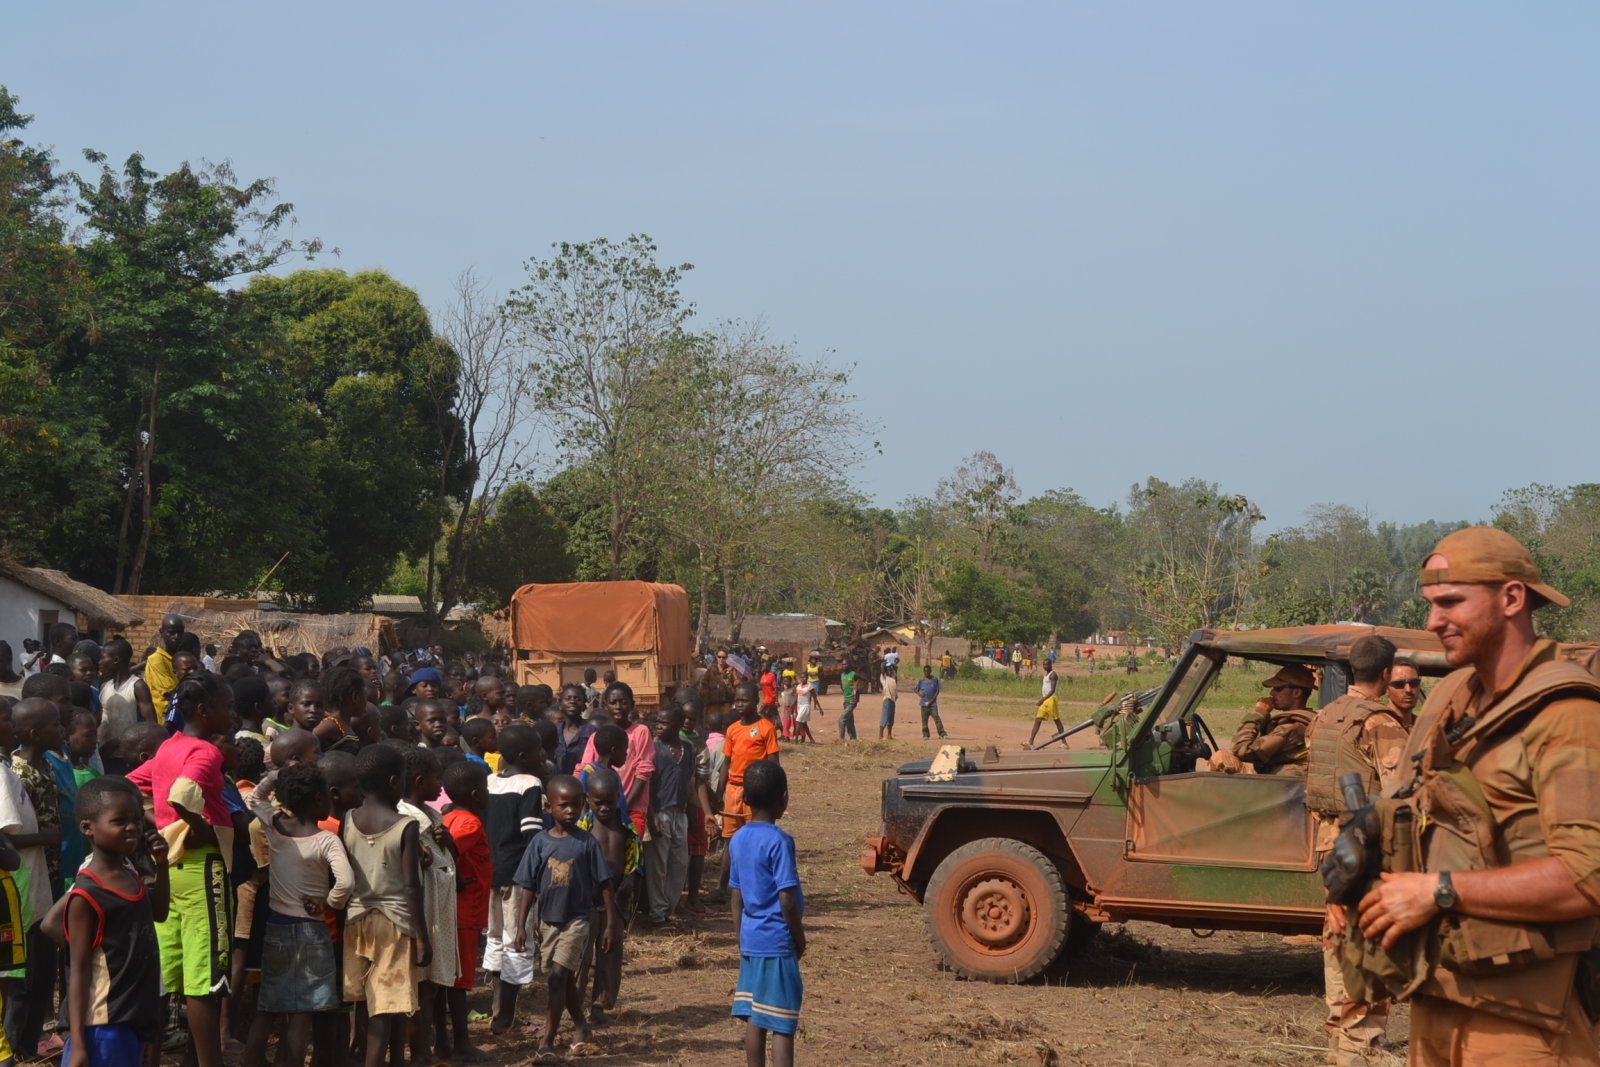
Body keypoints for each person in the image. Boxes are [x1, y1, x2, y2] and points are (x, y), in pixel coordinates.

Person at [1354, 527, 1600, 1064]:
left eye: (1450, 602)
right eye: (1430, 604)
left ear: (1511, 598)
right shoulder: (1453, 699)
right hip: (1437, 997)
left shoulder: (1568, 715)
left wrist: (1438, 891)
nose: (1432, 621)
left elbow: (1588, 876)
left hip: (1527, 1025)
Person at [1302, 635, 1409, 1066]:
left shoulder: (1325, 716)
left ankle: (1340, 1037)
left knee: (1337, 938)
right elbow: (1399, 791)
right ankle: (1360, 1045)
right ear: (1386, 675)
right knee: (1371, 943)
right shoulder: (1380, 721)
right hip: (1366, 843)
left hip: (1329, 839)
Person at [125, 672, 236, 1067]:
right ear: (204, 711)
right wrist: (191, 825)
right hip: (202, 868)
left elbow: (127, 785)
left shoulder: (168, 747)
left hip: (165, 873)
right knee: (204, 979)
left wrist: (154, 824)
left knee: (165, 975)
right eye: (227, 706)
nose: (232, 714)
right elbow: (183, 796)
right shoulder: (206, 752)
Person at [241, 762, 353, 1067]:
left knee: (268, 1004)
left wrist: (275, 776)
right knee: (303, 1010)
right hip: (312, 931)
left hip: (276, 927)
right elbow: (346, 882)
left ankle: (251, 1059)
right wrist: (328, 902)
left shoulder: (275, 825)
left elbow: (253, 799)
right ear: (318, 800)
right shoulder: (326, 839)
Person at [58, 777, 168, 1067]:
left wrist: (163, 865)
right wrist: (79, 1044)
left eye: (136, 820)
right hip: (102, 1026)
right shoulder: (87, 893)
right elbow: (79, 972)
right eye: (119, 821)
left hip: (132, 1016)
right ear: (87, 828)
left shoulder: (132, 876)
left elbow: (159, 914)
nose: (132, 827)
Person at [512, 775, 615, 1065]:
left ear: (584, 806)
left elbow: (605, 883)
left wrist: (608, 924)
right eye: (563, 805)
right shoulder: (540, 842)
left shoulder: (587, 843)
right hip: (548, 922)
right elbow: (528, 886)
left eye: (576, 805)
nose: (570, 811)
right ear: (549, 807)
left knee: (558, 977)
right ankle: (581, 1026)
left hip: (577, 920)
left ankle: (548, 1039)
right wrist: (520, 925)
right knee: (563, 979)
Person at [341, 744, 429, 1067]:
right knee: (388, 1001)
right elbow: (411, 886)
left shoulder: (347, 819)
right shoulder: (406, 825)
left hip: (355, 919)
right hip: (395, 924)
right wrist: (422, 936)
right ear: (394, 781)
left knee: (365, 999)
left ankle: (372, 1057)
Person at [729, 759, 805, 1067]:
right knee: (783, 1024)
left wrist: (740, 936)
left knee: (756, 1017)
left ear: (744, 799)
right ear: (783, 799)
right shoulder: (780, 841)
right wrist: (799, 938)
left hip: (751, 939)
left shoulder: (738, 838)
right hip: (777, 941)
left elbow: (736, 895)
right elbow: (787, 900)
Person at [483, 723, 544, 1034]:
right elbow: (532, 835)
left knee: (495, 938)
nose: (543, 754)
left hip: (490, 873)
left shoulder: (490, 780)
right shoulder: (530, 784)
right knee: (518, 940)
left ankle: (497, 1010)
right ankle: (506, 1016)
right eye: (538, 750)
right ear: (524, 755)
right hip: (518, 874)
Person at [575, 768, 637, 1025]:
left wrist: (631, 878)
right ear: (588, 799)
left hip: (616, 903)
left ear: (617, 798)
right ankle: (574, 1005)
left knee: (609, 958)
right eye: (598, 802)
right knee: (581, 957)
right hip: (587, 903)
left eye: (609, 802)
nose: (604, 808)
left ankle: (600, 1006)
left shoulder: (625, 826)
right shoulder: (583, 827)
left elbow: (636, 859)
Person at [440, 761, 491, 1062]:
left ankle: (447, 1043)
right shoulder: (470, 824)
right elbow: (444, 850)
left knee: (448, 982)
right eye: (485, 789)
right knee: (458, 984)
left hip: (454, 912)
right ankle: (461, 1043)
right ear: (475, 793)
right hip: (463, 914)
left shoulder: (449, 817)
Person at [719, 684, 780, 899]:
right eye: (736, 700)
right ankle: (722, 888)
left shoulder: (766, 728)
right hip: (733, 790)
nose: (739, 704)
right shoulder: (732, 729)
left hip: (756, 791)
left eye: (744, 700)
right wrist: (719, 793)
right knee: (730, 840)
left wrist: (778, 792)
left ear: (756, 701)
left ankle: (756, 887)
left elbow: (774, 762)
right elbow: (726, 762)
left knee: (756, 839)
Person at [1208, 666, 1315, 776]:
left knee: (1218, 759)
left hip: (1277, 787)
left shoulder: (1292, 728)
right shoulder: (1303, 720)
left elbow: (1240, 749)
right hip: (1274, 780)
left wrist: (1258, 714)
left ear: (1297, 693)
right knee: (1222, 757)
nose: (1272, 693)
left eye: (1278, 689)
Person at [645, 704, 693, 926]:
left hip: (680, 813)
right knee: (658, 865)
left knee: (679, 863)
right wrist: (651, 815)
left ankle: (669, 908)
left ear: (678, 725)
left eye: (664, 723)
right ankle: (657, 913)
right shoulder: (653, 750)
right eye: (658, 722)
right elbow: (647, 786)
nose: (659, 726)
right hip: (660, 812)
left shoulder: (688, 749)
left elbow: (689, 782)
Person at [96, 639, 155, 746]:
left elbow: (150, 724)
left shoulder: (137, 686)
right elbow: (102, 719)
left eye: (102, 658)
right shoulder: (105, 686)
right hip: (105, 753)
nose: (99, 662)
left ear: (116, 660)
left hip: (130, 752)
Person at [700, 651, 740, 727]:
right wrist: (705, 695)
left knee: (725, 723)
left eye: (724, 657)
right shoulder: (711, 669)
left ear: (726, 658)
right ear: (716, 657)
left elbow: (736, 682)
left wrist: (737, 682)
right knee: (710, 723)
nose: (721, 659)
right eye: (719, 657)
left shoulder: (731, 670)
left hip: (725, 702)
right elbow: (704, 683)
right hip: (712, 702)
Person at [1027, 660, 1060, 748]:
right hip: (1046, 700)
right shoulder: (1046, 675)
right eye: (1044, 664)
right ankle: (1030, 742)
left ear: (1050, 665)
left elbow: (1052, 690)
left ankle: (1064, 743)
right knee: (1038, 720)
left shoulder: (1053, 675)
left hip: (1051, 699)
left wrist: (1042, 700)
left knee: (1057, 720)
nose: (1045, 666)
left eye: (1047, 664)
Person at [914, 664, 948, 740]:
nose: (926, 672)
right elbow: (915, 689)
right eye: (925, 671)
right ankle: (926, 734)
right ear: (923, 671)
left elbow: (937, 690)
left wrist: (932, 700)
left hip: (933, 704)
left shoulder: (935, 680)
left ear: (930, 671)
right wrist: (919, 693)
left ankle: (942, 733)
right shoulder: (921, 680)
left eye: (928, 671)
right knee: (924, 720)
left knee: (936, 718)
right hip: (924, 704)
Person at [1385, 658, 1424, 723]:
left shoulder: (1425, 727)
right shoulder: (1376, 726)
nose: (1408, 690)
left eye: (1414, 683)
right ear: (1386, 688)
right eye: (1399, 684)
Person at [837, 664, 859, 742]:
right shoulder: (842, 675)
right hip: (845, 701)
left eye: (846, 664)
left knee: (842, 719)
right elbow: (842, 686)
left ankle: (841, 740)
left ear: (849, 665)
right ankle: (853, 739)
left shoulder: (853, 674)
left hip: (852, 701)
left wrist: (856, 696)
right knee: (850, 721)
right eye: (843, 664)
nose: (844, 666)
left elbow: (858, 685)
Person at [878, 666, 898, 741]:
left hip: (892, 701)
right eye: (888, 670)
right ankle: (880, 735)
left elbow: (895, 689)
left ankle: (889, 735)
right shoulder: (884, 679)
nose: (890, 672)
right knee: (885, 717)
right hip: (887, 700)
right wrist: (884, 667)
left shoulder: (893, 680)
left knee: (891, 719)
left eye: (891, 670)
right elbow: (882, 671)